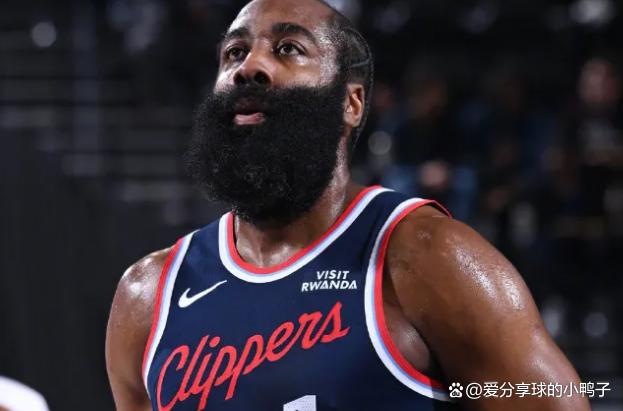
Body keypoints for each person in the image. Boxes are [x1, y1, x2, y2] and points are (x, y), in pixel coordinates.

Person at [105, 0, 591, 410]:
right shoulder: (148, 298)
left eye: (288, 48)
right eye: (234, 52)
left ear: (351, 103)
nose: (248, 66)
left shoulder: (427, 257)